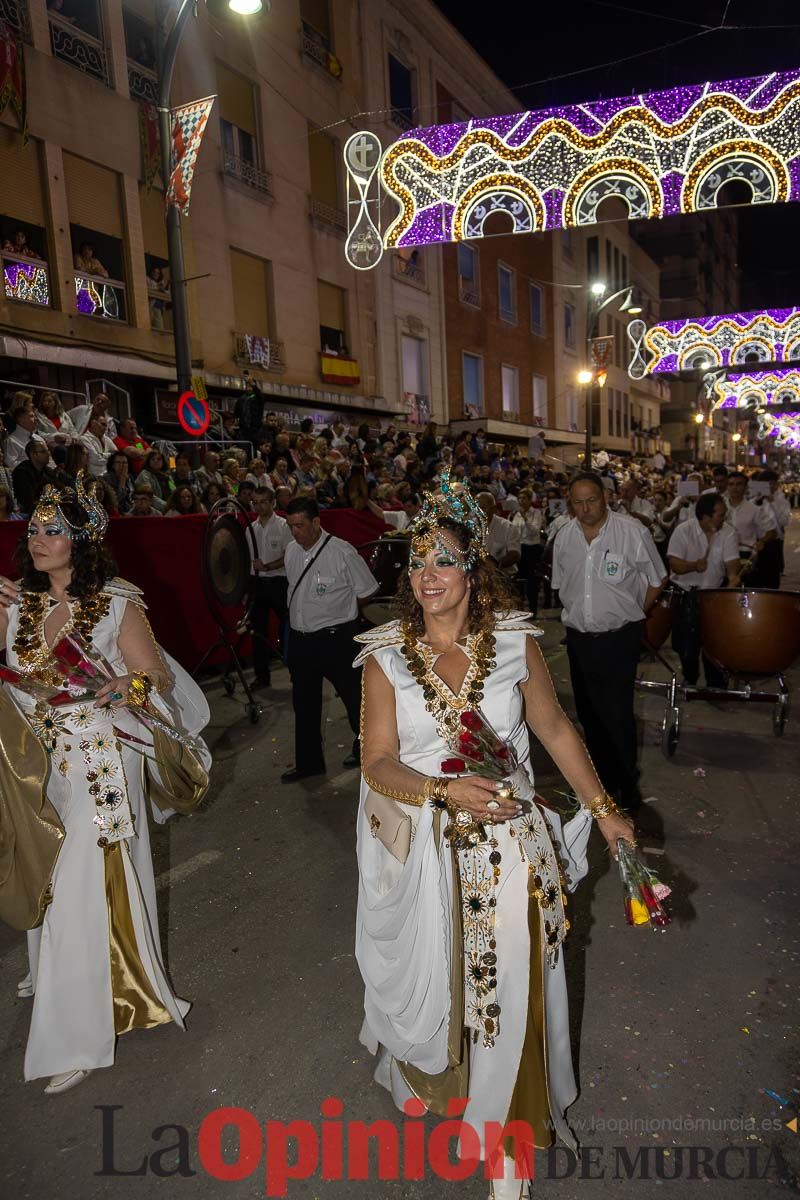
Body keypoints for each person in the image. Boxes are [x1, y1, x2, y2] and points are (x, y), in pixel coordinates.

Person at [354, 468, 633, 1199]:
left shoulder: (514, 643)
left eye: (444, 559)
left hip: (511, 848)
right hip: (423, 848)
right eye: (416, 562)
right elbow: (377, 761)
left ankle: (509, 1137)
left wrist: (603, 810)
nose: (428, 575)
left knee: (510, 982)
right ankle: (423, 1069)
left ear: (475, 570)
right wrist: (442, 792)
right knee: (435, 978)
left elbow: (554, 729)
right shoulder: (383, 656)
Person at [0, 473, 210, 1092]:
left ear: (82, 541)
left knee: (75, 886)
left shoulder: (117, 601)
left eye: (53, 530)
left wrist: (123, 685)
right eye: (34, 529)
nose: (38, 539)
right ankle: (86, 987)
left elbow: (154, 678)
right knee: (50, 874)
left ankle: (76, 1036)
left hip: (100, 762)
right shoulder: (16, 602)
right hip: (36, 762)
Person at [552, 473, 666, 813]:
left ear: (605, 497)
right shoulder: (564, 537)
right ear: (569, 503)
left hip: (619, 637)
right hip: (579, 639)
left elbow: (657, 580)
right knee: (588, 713)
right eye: (578, 502)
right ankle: (599, 783)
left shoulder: (632, 532)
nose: (586, 508)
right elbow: (562, 586)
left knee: (617, 713)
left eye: (592, 500)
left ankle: (626, 786)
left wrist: (634, 613)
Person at [281, 497, 378, 783]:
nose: (295, 532)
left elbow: (367, 590)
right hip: (301, 641)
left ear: (316, 522)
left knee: (355, 700)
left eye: (300, 525)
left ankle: (369, 752)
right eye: (291, 526)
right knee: (304, 703)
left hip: (337, 640)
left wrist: (341, 612)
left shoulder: (342, 552)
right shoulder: (290, 551)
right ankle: (309, 763)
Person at [667, 492, 740, 688]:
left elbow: (732, 563)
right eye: (720, 515)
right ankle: (689, 678)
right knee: (686, 645)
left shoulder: (728, 532)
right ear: (705, 517)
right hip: (685, 593)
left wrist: (733, 577)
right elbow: (674, 564)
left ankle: (715, 685)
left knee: (714, 642)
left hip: (713, 594)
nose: (724, 518)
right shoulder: (683, 530)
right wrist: (693, 566)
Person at [248, 486, 292, 687]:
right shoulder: (250, 529)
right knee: (257, 632)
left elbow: (288, 556)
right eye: (255, 502)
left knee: (290, 628)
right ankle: (262, 676)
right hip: (258, 584)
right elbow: (246, 559)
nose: (259, 506)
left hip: (279, 583)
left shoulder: (283, 526)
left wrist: (267, 566)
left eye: (263, 501)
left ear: (272, 502)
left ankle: (296, 672)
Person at [726, 471, 778, 585]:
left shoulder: (754, 509)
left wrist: (762, 541)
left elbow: (772, 531)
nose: (734, 488)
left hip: (745, 555)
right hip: (723, 555)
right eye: (731, 484)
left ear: (745, 487)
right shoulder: (720, 506)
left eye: (739, 484)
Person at [512, 488, 545, 616]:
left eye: (524, 498)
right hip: (520, 548)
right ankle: (520, 609)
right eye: (519, 498)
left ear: (530, 500)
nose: (521, 501)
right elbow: (513, 530)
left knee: (532, 580)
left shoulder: (536, 513)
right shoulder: (516, 514)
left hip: (532, 548)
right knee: (519, 580)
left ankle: (533, 609)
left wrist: (525, 517)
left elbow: (534, 530)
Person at [12, 437, 58, 516]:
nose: (48, 454)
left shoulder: (48, 471)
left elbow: (60, 489)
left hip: (46, 509)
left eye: (48, 451)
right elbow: (28, 502)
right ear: (33, 454)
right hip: (27, 513)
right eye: (43, 451)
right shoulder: (22, 472)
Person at [477, 492, 521, 573]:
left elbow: (515, 553)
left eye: (484, 507)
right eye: (477, 507)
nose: (480, 511)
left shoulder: (507, 527)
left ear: (494, 509)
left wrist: (496, 565)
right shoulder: (469, 525)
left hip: (502, 575)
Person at [81, 411, 117, 476]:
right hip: (94, 476)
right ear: (93, 423)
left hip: (108, 476)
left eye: (106, 426)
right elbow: (96, 459)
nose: (105, 428)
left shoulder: (106, 439)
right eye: (103, 424)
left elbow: (116, 455)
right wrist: (109, 455)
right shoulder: (84, 439)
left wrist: (102, 454)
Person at [5, 405, 39, 471]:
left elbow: (49, 459)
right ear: (21, 420)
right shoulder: (11, 441)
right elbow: (11, 464)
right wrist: (34, 467)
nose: (36, 419)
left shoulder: (38, 438)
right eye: (32, 416)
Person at [103, 451, 134, 515]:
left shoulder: (129, 477)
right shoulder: (107, 478)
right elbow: (116, 501)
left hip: (132, 510)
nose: (122, 465)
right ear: (113, 465)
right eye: (118, 462)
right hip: (118, 512)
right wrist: (122, 482)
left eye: (124, 463)